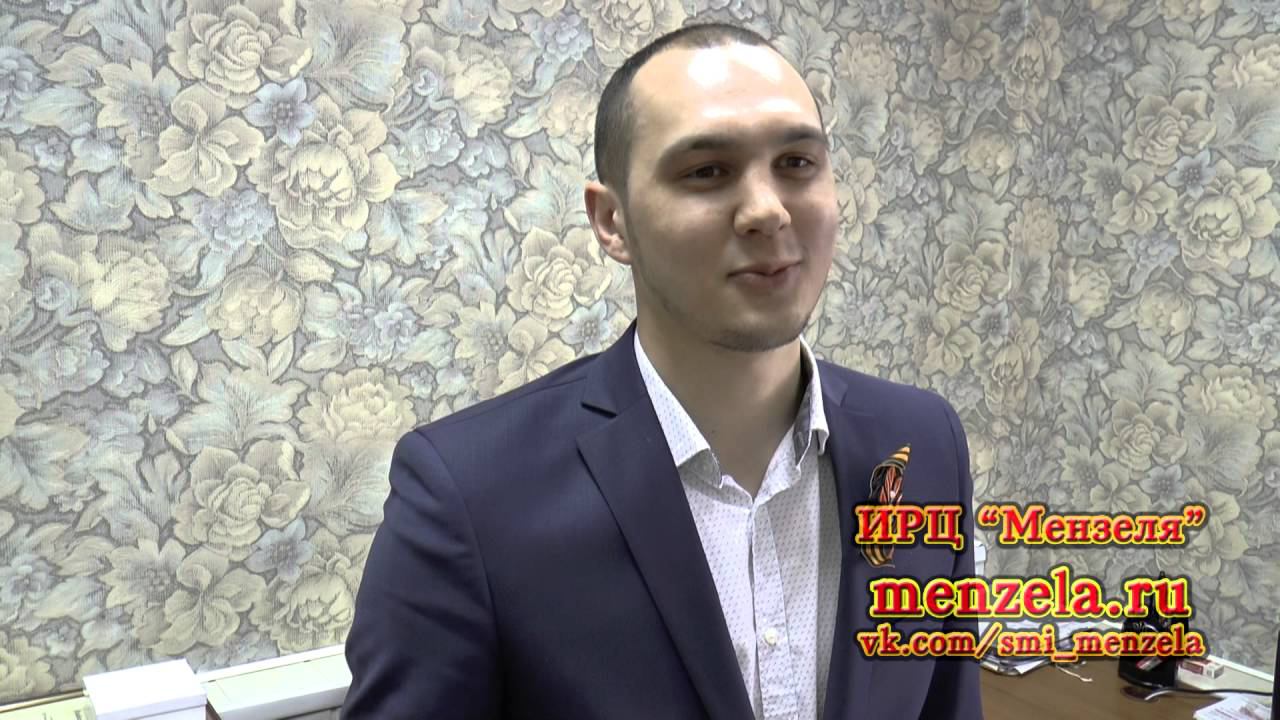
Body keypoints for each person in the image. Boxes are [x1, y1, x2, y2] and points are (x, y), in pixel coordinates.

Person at [342, 22, 983, 720]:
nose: (767, 210)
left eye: (797, 162)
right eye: (706, 171)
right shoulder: (468, 495)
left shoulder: (924, 444)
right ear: (611, 221)